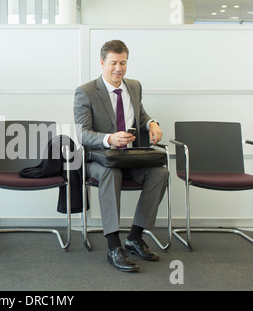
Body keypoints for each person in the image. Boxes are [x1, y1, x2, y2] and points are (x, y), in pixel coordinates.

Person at [74, 40, 168, 272]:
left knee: (160, 173)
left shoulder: (134, 87)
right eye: (113, 63)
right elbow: (83, 134)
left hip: (131, 156)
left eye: (123, 63)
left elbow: (141, 115)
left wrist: (152, 123)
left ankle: (134, 237)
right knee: (110, 172)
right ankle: (114, 245)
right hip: (99, 159)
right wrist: (109, 139)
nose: (119, 68)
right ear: (102, 63)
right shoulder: (85, 92)